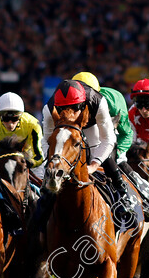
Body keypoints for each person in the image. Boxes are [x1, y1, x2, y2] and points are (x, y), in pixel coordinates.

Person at [37, 78, 137, 227]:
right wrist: (53, 161)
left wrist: (94, 165)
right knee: (51, 170)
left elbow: (108, 139)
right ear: (58, 107)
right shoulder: (49, 108)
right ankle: (38, 219)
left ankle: (123, 195)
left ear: (83, 103)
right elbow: (46, 141)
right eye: (65, 109)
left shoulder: (97, 101)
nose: (71, 113)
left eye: (75, 107)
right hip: (64, 128)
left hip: (91, 126)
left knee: (102, 152)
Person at [0, 92, 44, 169]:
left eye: (14, 119)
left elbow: (38, 155)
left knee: (41, 177)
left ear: (20, 116)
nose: (10, 124)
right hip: (3, 159)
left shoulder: (33, 124)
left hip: (28, 158)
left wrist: (30, 163)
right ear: (0, 117)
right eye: (6, 119)